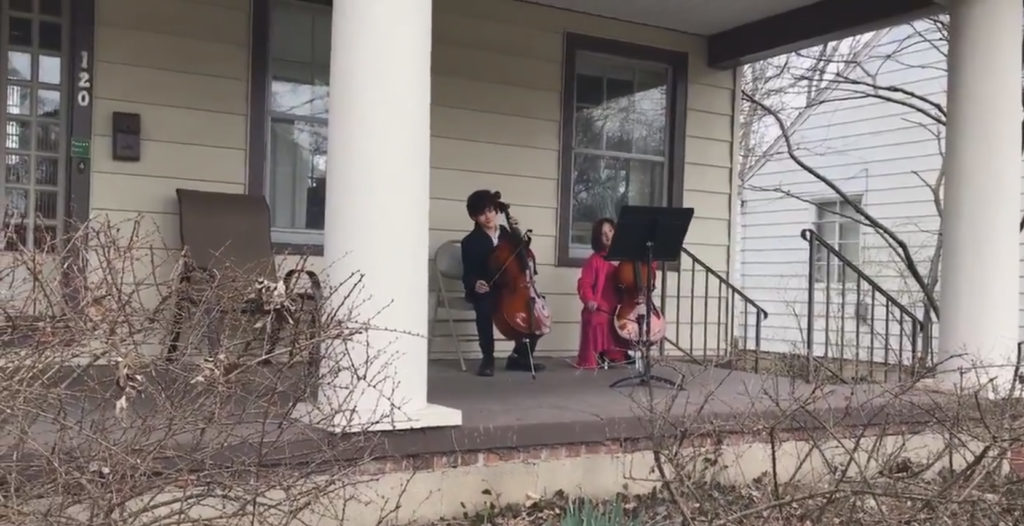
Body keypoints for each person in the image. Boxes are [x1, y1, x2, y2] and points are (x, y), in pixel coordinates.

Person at [460, 190, 546, 377]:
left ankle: (520, 357)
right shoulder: (470, 242)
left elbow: (522, 258)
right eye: (482, 213)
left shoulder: (507, 234)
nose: (488, 216)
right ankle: (488, 358)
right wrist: (476, 284)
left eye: (490, 210)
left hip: (512, 287)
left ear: (496, 210)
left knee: (535, 311)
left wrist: (518, 237)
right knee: (483, 308)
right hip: (488, 288)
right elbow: (468, 275)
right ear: (474, 217)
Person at [576, 218, 631, 369]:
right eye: (602, 234)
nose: (608, 236)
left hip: (623, 306)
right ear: (597, 238)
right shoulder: (594, 260)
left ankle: (622, 354)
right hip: (601, 306)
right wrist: (589, 299)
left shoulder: (626, 259)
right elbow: (584, 284)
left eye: (610, 231)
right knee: (596, 317)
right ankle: (600, 354)